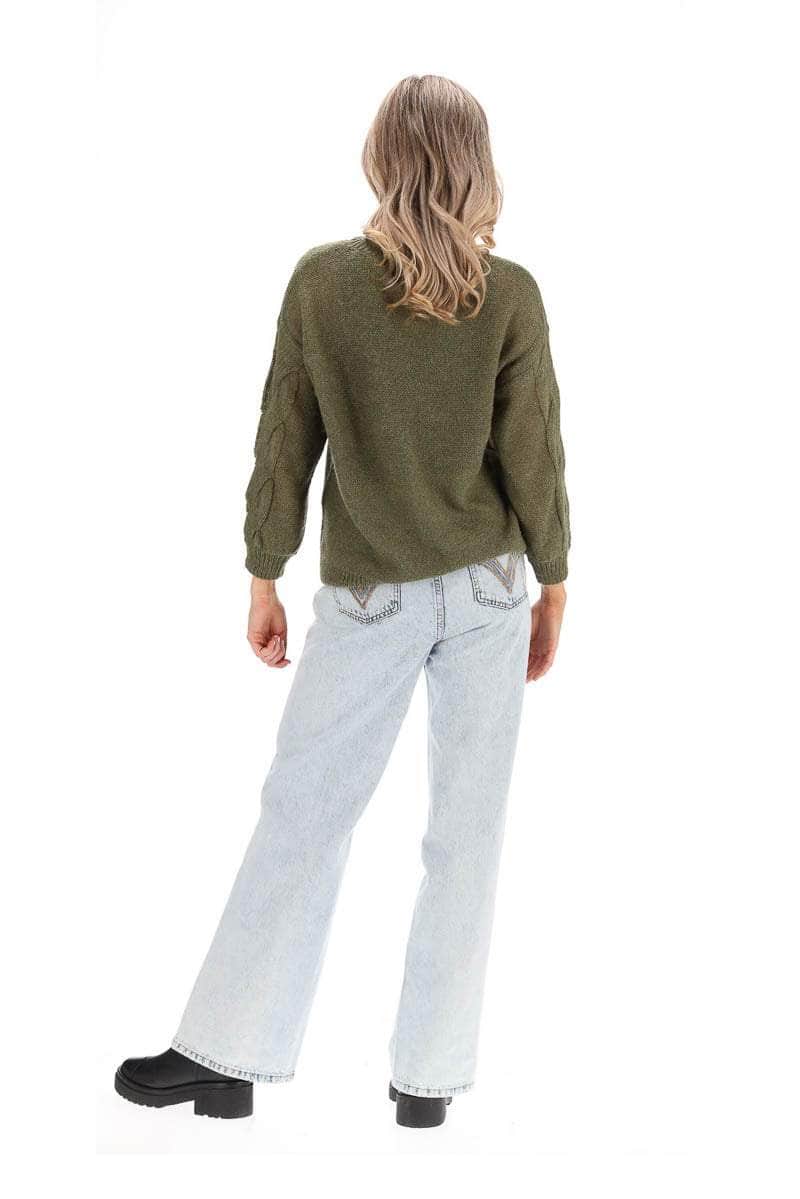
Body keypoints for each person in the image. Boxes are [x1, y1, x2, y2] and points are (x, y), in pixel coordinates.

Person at [115, 74, 570, 1129]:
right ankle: (427, 1083)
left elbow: (285, 434)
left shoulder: (322, 283)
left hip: (371, 596)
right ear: (475, 167)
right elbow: (535, 456)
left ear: (380, 157)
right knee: (466, 836)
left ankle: (225, 1052)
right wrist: (552, 581)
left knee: (304, 813)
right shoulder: (510, 294)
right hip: (490, 589)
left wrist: (263, 571)